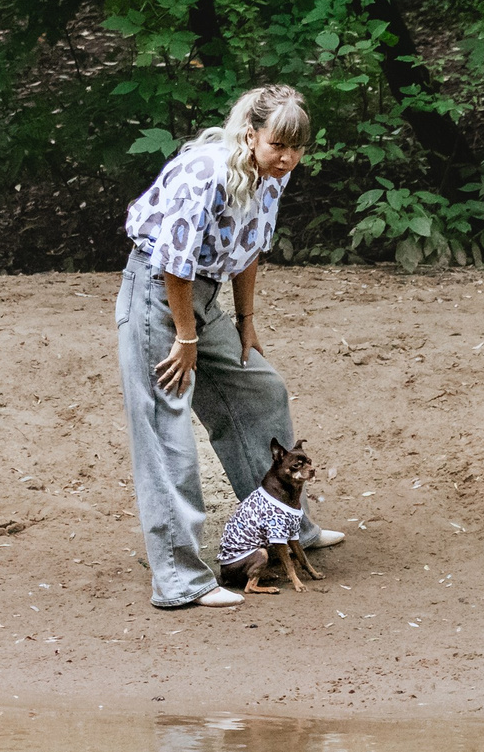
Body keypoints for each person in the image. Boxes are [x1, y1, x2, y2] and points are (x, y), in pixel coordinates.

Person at [116, 83, 344, 608]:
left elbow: (248, 251)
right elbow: (173, 262)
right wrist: (187, 338)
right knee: (165, 428)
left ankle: (285, 529)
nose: (288, 158)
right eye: (277, 145)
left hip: (203, 296)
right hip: (157, 296)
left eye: (297, 147)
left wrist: (245, 322)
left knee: (260, 388)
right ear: (251, 135)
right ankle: (180, 581)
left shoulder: (270, 177)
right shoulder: (206, 172)